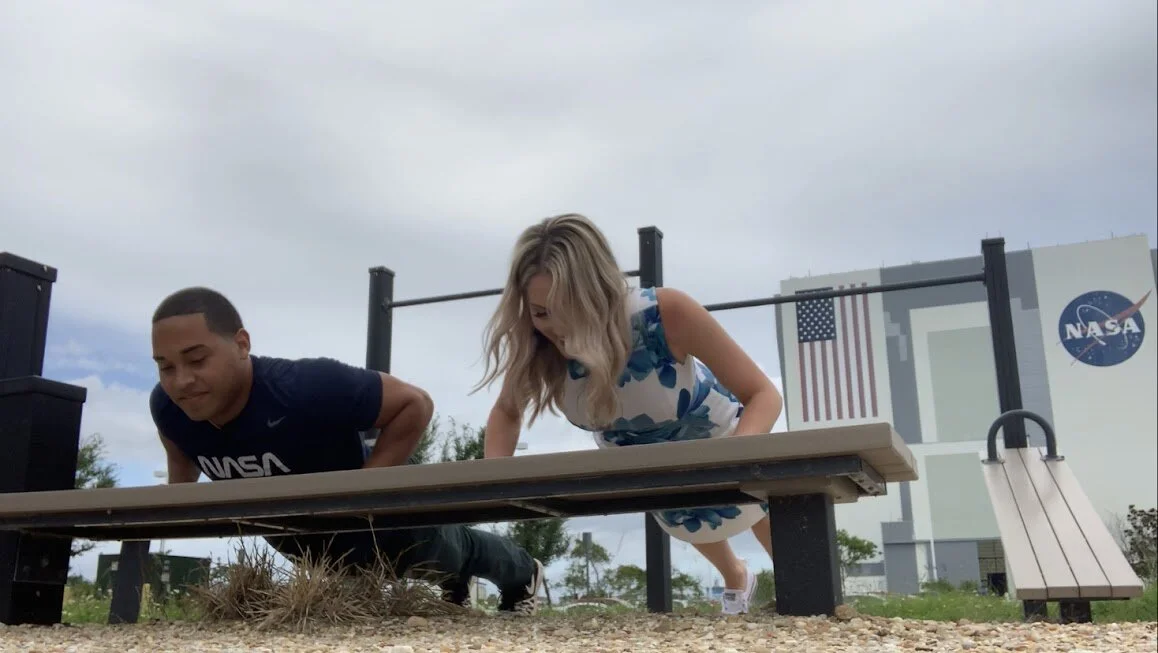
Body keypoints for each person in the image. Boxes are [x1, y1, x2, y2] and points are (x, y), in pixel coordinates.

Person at [147, 286, 544, 614]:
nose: (181, 381)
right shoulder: (168, 409)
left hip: (385, 521)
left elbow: (415, 403)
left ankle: (525, 573)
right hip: (311, 549)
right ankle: (453, 588)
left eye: (197, 360)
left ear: (241, 344)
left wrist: (364, 498)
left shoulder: (305, 386)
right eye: (165, 367)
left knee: (451, 551)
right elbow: (182, 468)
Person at [473, 213, 784, 615]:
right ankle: (736, 577)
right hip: (644, 458)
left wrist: (739, 459)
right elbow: (506, 412)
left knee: (760, 511)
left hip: (717, 433)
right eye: (541, 312)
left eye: (568, 308)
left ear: (598, 293)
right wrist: (495, 483)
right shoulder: (537, 344)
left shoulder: (665, 312)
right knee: (690, 519)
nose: (558, 327)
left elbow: (763, 394)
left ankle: (799, 586)